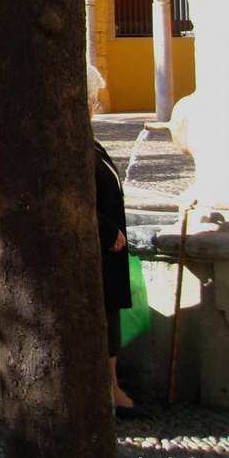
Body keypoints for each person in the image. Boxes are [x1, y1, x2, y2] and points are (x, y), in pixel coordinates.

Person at [96, 140, 141, 417]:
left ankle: (112, 387)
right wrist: (105, 229)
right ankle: (109, 390)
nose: (96, 103)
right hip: (99, 243)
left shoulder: (93, 144)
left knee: (110, 314)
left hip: (109, 246)